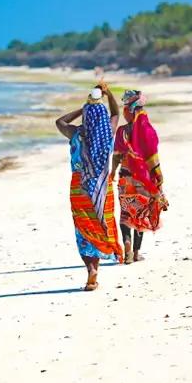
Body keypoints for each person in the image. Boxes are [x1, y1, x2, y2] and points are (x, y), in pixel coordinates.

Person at [55, 84, 123, 291]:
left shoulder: (76, 134)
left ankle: (90, 271)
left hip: (80, 188)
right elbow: (116, 112)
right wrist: (108, 94)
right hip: (103, 187)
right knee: (101, 226)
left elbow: (60, 121)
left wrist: (83, 107)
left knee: (83, 229)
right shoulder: (107, 134)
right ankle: (97, 268)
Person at [111, 89, 168, 264]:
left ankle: (126, 245)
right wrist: (159, 177)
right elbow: (152, 157)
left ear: (129, 110)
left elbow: (117, 155)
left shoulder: (121, 131)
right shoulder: (147, 130)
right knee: (141, 213)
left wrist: (112, 172)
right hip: (144, 179)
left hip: (125, 177)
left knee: (126, 214)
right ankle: (135, 253)